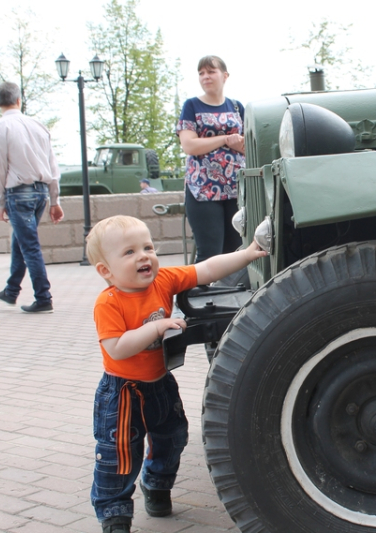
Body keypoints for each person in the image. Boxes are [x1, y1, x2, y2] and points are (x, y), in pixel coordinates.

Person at [84, 215, 266, 533]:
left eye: (148, 247)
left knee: (172, 439)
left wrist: (248, 253)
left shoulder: (163, 281)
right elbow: (117, 348)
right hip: (123, 393)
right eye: (129, 252)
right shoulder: (108, 303)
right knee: (120, 455)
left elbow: (206, 270)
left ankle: (157, 485)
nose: (144, 256)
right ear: (106, 271)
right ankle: (114, 515)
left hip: (160, 386)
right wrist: (156, 327)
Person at [0, 81, 64, 314]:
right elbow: (53, 166)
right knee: (21, 241)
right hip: (41, 192)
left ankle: (43, 297)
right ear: (18, 100)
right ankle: (11, 290)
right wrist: (54, 200)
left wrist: (0, 202)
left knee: (29, 245)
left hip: (19, 193)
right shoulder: (38, 126)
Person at [176, 55, 245, 264]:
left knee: (236, 252)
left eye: (211, 71)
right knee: (209, 253)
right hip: (203, 189)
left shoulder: (236, 107)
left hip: (236, 189)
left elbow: (250, 146)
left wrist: (238, 144)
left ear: (225, 76)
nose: (205, 76)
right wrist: (225, 139)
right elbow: (189, 145)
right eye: (201, 73)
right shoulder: (192, 106)